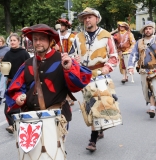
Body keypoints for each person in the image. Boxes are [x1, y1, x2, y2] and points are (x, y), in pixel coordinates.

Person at [5, 24, 92, 134]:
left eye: (42, 39)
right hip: (32, 119)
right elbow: (15, 88)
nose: (37, 42)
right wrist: (18, 98)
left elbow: (78, 84)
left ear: (50, 41)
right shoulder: (26, 64)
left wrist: (69, 68)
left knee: (54, 150)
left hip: (57, 116)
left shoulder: (64, 60)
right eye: (35, 39)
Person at [68, 7, 119, 151]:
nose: (87, 20)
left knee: (101, 104)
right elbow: (71, 55)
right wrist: (74, 60)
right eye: (84, 18)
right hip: (85, 75)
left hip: (101, 74)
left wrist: (107, 67)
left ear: (97, 19)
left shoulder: (106, 35)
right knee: (90, 106)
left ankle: (93, 138)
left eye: (89, 17)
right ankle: (96, 132)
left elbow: (114, 56)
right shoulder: (78, 37)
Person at [128, 21, 156, 118]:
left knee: (154, 89)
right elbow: (134, 54)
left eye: (150, 28)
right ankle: (152, 105)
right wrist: (131, 66)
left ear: (153, 29)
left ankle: (152, 107)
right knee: (146, 90)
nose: (148, 30)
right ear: (144, 31)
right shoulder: (139, 42)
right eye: (146, 29)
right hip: (144, 70)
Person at [2, 33, 30, 133]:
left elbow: (29, 68)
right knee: (9, 104)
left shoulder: (24, 53)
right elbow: (4, 67)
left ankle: (19, 124)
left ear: (18, 41)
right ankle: (12, 124)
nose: (12, 42)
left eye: (14, 40)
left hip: (21, 83)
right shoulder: (8, 54)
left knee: (19, 103)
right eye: (11, 40)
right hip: (10, 82)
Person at [55, 18, 76, 106]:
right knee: (60, 79)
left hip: (69, 59)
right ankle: (64, 97)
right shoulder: (56, 36)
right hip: (58, 59)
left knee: (68, 78)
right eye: (60, 25)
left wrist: (70, 57)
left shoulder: (72, 36)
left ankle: (69, 97)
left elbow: (74, 49)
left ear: (66, 27)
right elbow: (52, 47)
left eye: (63, 25)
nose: (61, 27)